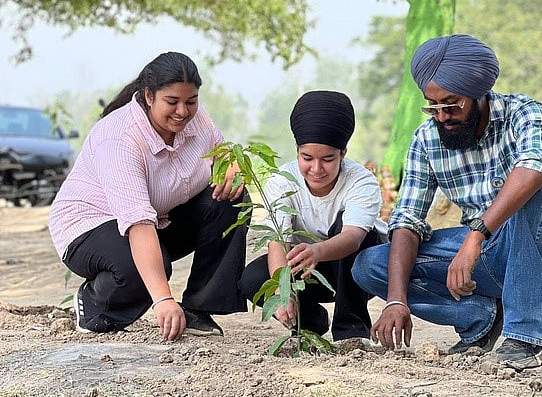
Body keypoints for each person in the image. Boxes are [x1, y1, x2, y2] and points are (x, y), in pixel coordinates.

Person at [352, 34, 542, 371]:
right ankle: (481, 318)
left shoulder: (523, 111)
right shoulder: (426, 139)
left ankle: (527, 338)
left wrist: (475, 236)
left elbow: (535, 167)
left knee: (533, 190)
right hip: (485, 254)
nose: (442, 116)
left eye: (451, 104)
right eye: (432, 106)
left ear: (479, 95)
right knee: (371, 264)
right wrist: (396, 300)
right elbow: (406, 219)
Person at [49, 51, 248, 341]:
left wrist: (232, 163)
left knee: (231, 198)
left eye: (191, 101)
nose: (183, 111)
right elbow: (139, 224)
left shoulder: (195, 118)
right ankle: (94, 302)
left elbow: (220, 147)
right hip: (88, 227)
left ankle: (198, 309)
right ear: (149, 96)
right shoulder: (120, 139)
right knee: (147, 273)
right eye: (172, 102)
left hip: (158, 218)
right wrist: (163, 300)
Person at [239, 90, 386, 341]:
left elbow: (352, 238)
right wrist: (283, 291)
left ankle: (351, 331)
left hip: (354, 270)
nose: (316, 169)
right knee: (253, 280)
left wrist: (318, 251)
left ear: (343, 153)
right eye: (307, 158)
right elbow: (279, 240)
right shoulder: (282, 181)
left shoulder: (361, 181)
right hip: (305, 268)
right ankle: (308, 323)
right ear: (297, 151)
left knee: (351, 231)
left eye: (328, 159)